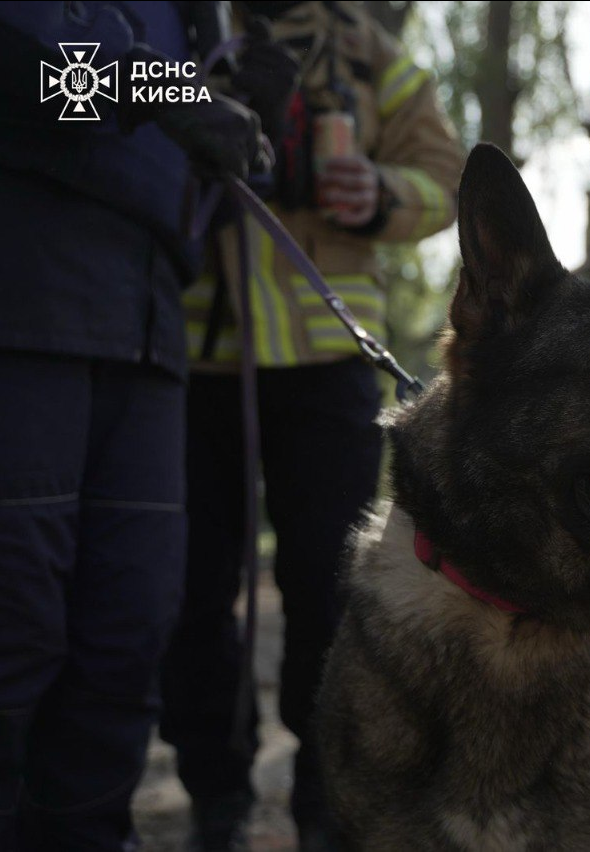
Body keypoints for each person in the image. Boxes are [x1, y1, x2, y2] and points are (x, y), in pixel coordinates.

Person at [158, 3, 464, 849]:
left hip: (329, 366)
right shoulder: (185, 29)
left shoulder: (368, 53)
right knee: (189, 595)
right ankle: (214, 798)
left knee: (328, 594)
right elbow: (92, 94)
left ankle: (325, 806)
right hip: (190, 362)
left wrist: (380, 194)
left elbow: (445, 175)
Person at [0, 2, 268, 849]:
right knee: (14, 630)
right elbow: (36, 72)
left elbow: (190, 168)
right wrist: (163, 88)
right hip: (25, 283)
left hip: (152, 324)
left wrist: (246, 143)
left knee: (128, 633)